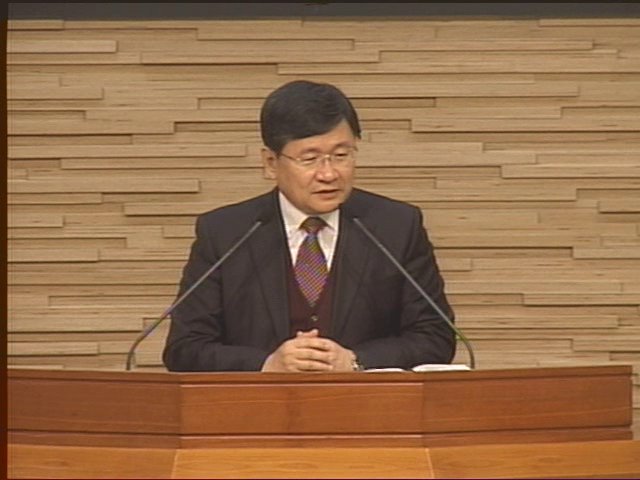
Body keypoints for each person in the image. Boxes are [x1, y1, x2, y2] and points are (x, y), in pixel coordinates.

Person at [162, 80, 456, 372]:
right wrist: (266, 364)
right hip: (260, 401)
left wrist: (355, 360)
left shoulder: (396, 226)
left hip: (365, 401)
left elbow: (435, 336)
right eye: (310, 159)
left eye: (341, 155)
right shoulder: (225, 233)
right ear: (271, 163)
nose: (328, 174)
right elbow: (185, 348)